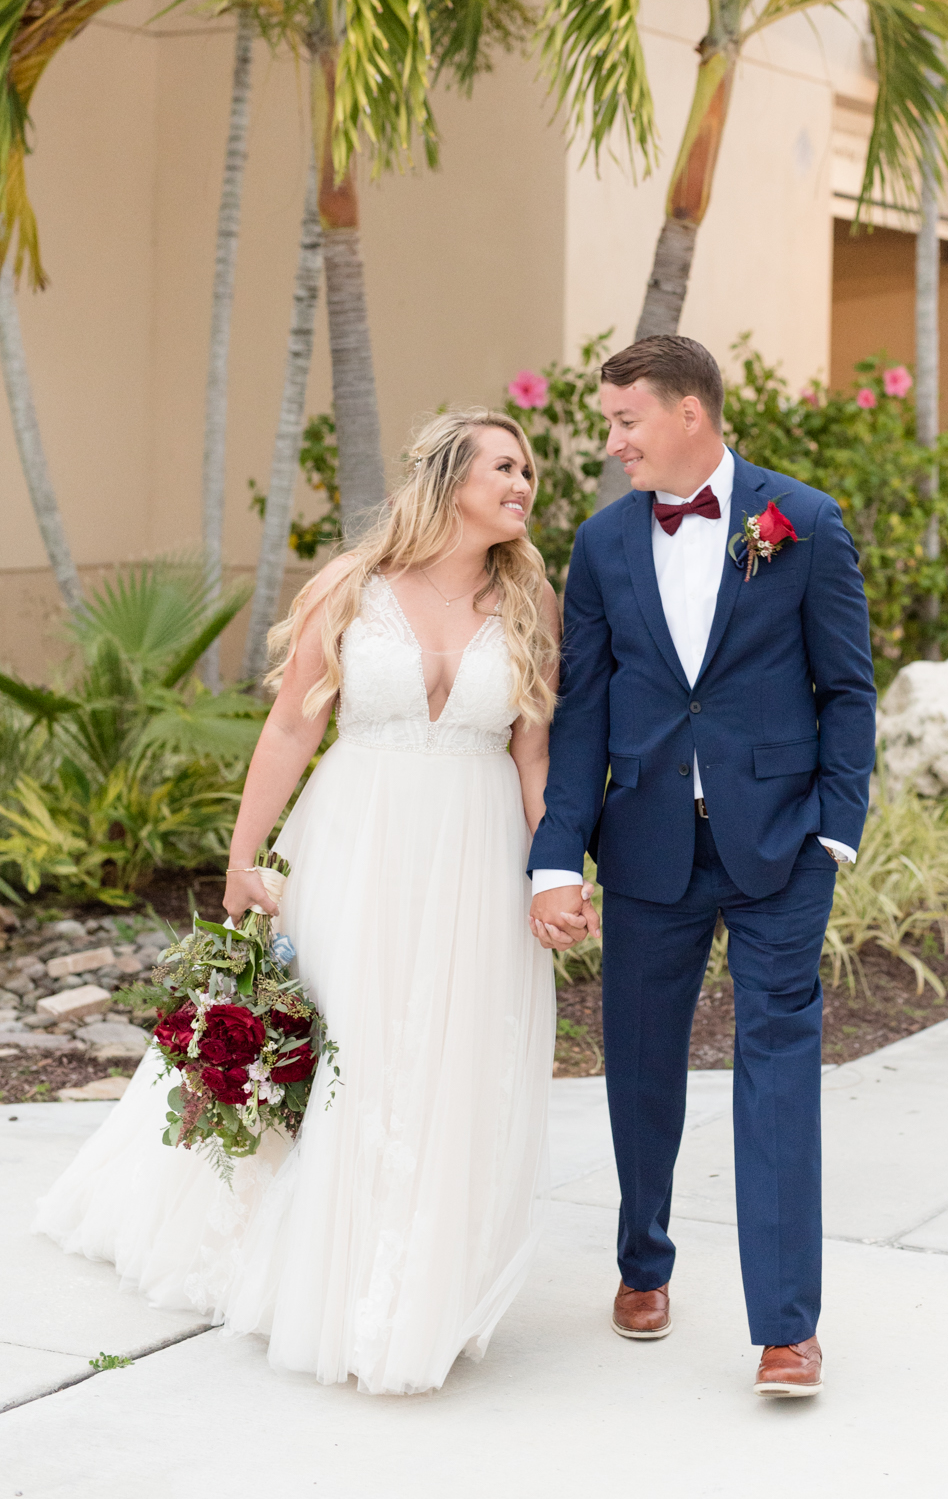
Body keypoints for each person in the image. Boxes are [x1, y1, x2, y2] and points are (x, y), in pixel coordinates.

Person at [34, 410, 565, 1395]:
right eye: (504, 463)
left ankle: (415, 1276)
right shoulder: (351, 585)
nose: (524, 479)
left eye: (528, 467)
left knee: (446, 1056)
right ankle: (326, 1266)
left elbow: (533, 750)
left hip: (475, 850)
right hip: (357, 837)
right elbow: (288, 727)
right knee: (345, 1047)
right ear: (449, 475)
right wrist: (245, 860)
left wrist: (556, 873)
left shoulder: (528, 591)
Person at [528, 335, 877, 1398]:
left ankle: (785, 1327)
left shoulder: (800, 521)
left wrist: (832, 827)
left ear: (690, 412)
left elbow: (848, 688)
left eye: (627, 419)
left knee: (776, 1075)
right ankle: (643, 1258)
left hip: (777, 844)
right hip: (644, 846)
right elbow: (582, 706)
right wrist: (555, 855)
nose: (614, 440)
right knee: (639, 1064)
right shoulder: (601, 543)